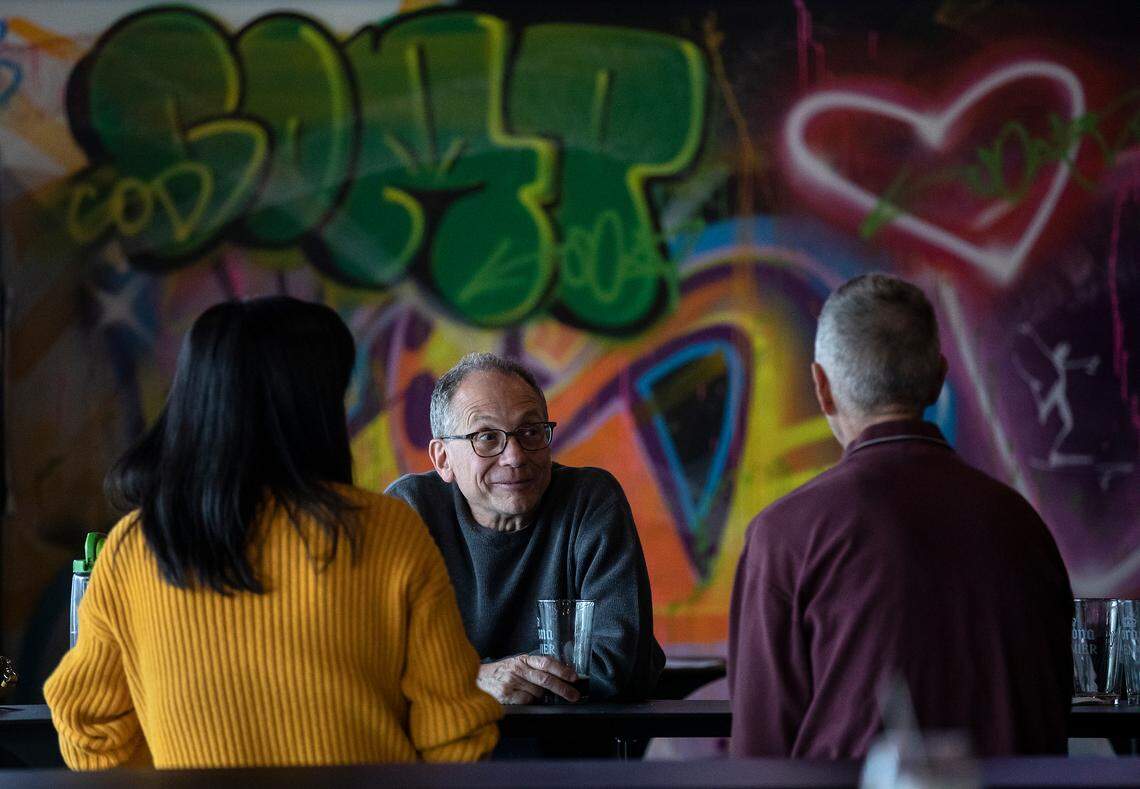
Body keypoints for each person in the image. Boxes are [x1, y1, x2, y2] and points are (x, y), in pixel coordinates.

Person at [44, 297, 501, 769]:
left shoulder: (134, 547)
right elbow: (454, 736)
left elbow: (89, 732)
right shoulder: (387, 531)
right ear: (313, 408)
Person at [728, 274, 1073, 758]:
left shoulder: (784, 537)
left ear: (822, 389)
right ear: (938, 378)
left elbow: (759, 754)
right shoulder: (1022, 525)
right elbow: (1055, 710)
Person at [387, 353, 664, 705]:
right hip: (444, 755)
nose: (515, 456)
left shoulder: (589, 501)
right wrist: (474, 679)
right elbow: (373, 661)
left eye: (531, 432)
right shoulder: (409, 511)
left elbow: (620, 668)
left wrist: (444, 678)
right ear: (443, 459)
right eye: (486, 437)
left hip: (571, 753)